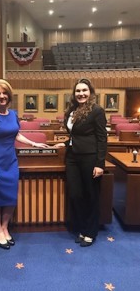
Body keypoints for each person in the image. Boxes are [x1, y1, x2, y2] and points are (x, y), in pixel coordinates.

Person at [0, 79, 49, 249]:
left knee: (10, 197)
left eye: (4, 93)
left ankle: (4, 227)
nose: (2, 96)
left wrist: (34, 143)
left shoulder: (13, 114)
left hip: (10, 162)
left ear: (9, 95)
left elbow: (16, 135)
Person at [55, 78, 107, 247]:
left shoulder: (97, 111)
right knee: (76, 194)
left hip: (90, 158)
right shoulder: (72, 110)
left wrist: (100, 164)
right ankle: (83, 228)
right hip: (72, 157)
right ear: (74, 93)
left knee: (91, 195)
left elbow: (102, 138)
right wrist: (64, 143)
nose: (81, 94)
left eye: (84, 90)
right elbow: (75, 135)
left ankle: (90, 232)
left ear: (90, 92)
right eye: (78, 91)